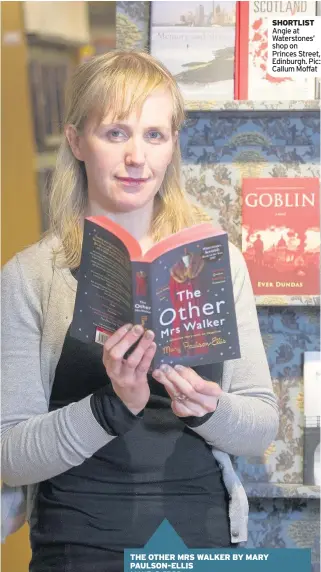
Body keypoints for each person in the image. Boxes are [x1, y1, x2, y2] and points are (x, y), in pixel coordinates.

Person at [1, 50, 279, 571]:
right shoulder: (31, 276)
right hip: (78, 547)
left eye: (155, 134)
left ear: (173, 145)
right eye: (116, 133)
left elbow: (262, 426)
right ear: (77, 140)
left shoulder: (220, 263)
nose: (138, 157)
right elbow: (12, 456)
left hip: (204, 546)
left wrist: (208, 407)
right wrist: (112, 406)